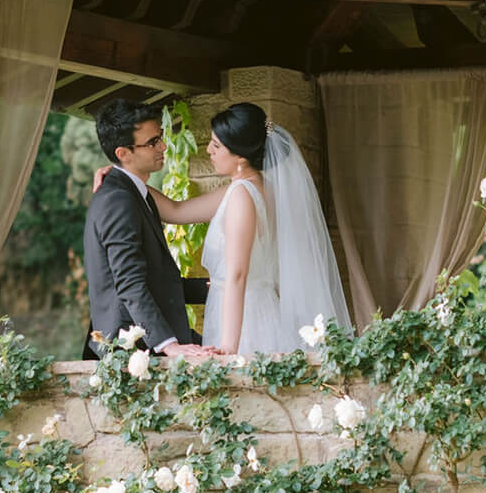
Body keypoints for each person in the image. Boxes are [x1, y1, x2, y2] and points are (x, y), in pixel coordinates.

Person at [124, 101, 352, 356]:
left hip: (246, 322)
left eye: (217, 145)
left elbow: (237, 275)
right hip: (253, 309)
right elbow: (175, 211)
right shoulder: (254, 189)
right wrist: (125, 180)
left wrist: (229, 348)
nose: (209, 150)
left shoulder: (242, 196)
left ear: (240, 157)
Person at [82, 99, 212, 361]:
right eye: (153, 142)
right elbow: (129, 283)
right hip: (130, 352)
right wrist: (169, 345)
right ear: (123, 153)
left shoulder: (134, 193)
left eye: (161, 138)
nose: (163, 146)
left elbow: (158, 282)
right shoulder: (117, 200)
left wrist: (216, 288)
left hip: (144, 344)